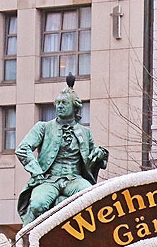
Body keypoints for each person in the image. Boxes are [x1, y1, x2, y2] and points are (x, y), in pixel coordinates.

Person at [16, 77, 109, 224]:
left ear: (75, 107)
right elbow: (22, 149)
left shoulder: (85, 132)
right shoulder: (43, 127)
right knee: (38, 205)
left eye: (64, 103)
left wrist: (100, 153)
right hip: (49, 180)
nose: (60, 106)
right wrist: (37, 172)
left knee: (93, 200)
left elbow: (92, 158)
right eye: (58, 103)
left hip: (75, 180)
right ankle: (38, 241)